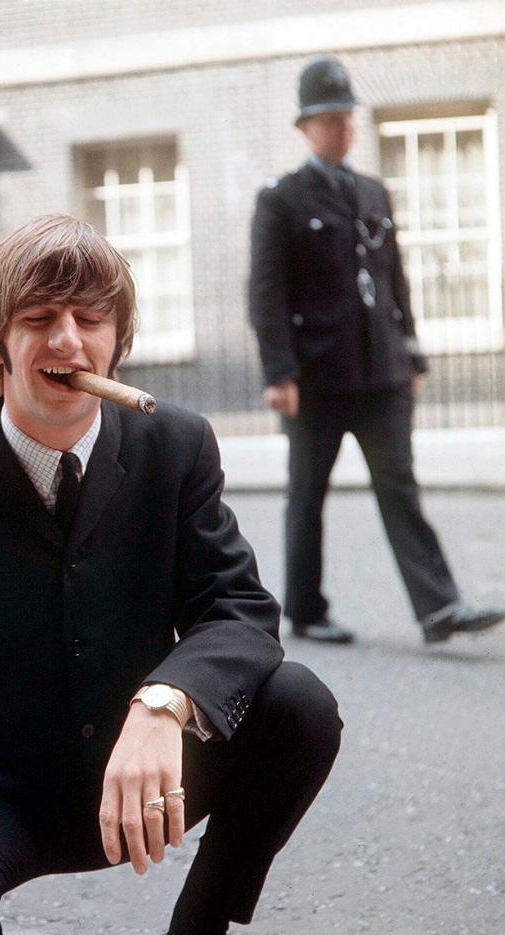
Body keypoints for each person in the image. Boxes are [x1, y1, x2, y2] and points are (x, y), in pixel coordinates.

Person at [0, 214, 342, 935]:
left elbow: (238, 608)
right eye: (38, 319)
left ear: (117, 340)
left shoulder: (175, 445)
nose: (68, 340)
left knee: (299, 705)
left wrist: (162, 706)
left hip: (151, 768)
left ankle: (199, 932)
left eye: (91, 318)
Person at [248, 55, 505, 646]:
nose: (342, 128)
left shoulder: (372, 192)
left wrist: (411, 356)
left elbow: (395, 279)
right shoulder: (283, 199)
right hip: (315, 379)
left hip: (381, 374)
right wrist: (279, 373)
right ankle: (307, 610)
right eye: (329, 118)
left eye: (347, 117)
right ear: (305, 128)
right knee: (307, 494)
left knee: (400, 487)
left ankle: (439, 607)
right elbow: (266, 293)